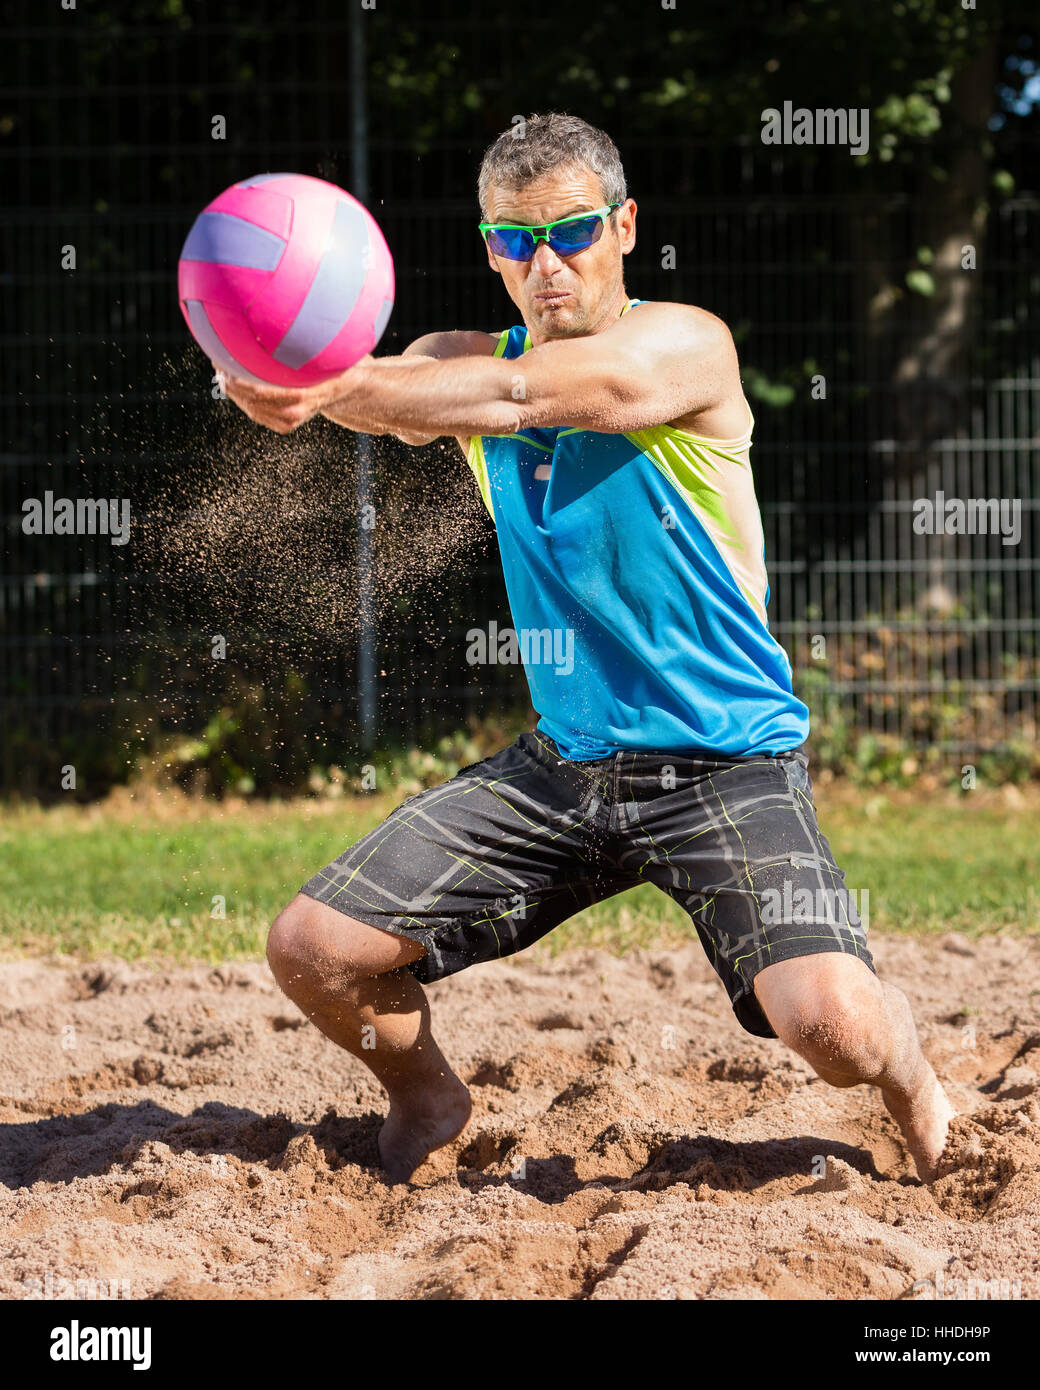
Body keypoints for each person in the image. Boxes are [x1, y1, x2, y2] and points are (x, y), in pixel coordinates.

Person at [221, 112, 955, 1185]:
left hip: (726, 762)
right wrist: (288, 367)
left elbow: (533, 396)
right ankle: (429, 1094)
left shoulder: (684, 346)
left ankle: (914, 1082)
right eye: (515, 242)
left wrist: (332, 387)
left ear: (624, 226)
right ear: (489, 251)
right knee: (311, 949)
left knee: (834, 1031)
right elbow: (412, 390)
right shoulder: (458, 363)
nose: (545, 263)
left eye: (570, 232)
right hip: (566, 765)